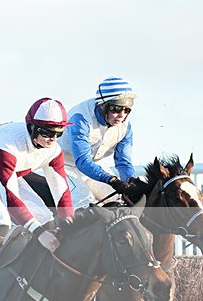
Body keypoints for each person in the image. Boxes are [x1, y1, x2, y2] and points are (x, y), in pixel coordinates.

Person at [0, 98, 75, 301]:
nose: (52, 139)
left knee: (47, 218)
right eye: (47, 132)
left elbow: (62, 191)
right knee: (1, 221)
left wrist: (69, 223)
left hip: (9, 174)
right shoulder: (7, 145)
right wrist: (39, 233)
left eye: (59, 133)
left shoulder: (54, 151)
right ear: (32, 127)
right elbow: (11, 199)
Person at [58, 77, 143, 207]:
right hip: (64, 165)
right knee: (85, 203)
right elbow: (82, 161)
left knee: (120, 200)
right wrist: (111, 180)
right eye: (116, 109)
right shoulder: (80, 119)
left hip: (94, 164)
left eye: (126, 110)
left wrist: (131, 182)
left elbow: (123, 162)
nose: (122, 115)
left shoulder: (125, 126)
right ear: (102, 105)